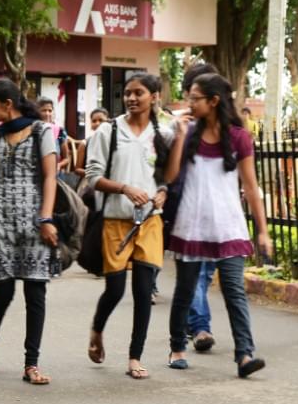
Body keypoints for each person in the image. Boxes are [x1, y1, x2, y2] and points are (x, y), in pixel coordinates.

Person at [164, 72, 272, 377]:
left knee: (235, 291)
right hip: (192, 224)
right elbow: (171, 177)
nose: (190, 103)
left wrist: (262, 231)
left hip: (228, 224)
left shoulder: (238, 136)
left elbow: (251, 187)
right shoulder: (187, 134)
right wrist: (181, 136)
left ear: (213, 102)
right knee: (185, 290)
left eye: (195, 98)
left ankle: (244, 356)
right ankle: (176, 348)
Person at [86, 74, 175, 379]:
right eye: (127, 93)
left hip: (150, 221)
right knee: (115, 289)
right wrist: (124, 188)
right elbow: (92, 177)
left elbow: (166, 176)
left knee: (143, 289)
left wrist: (162, 192)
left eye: (139, 93)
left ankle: (135, 356)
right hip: (115, 220)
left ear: (154, 96)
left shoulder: (164, 133)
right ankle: (97, 329)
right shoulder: (108, 132)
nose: (132, 98)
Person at [0, 78, 62, 385]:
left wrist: (46, 218)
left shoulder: (41, 132)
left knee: (35, 290)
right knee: (2, 290)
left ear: (7, 105)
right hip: (1, 221)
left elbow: (51, 177)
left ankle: (31, 364)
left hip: (35, 220)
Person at [176, 61, 221, 353]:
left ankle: (190, 321)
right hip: (188, 213)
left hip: (217, 214)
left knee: (204, 274)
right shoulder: (181, 128)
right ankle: (200, 327)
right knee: (196, 273)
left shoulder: (226, 129)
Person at [76, 108, 109, 173]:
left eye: (101, 120)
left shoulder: (114, 143)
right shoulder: (84, 144)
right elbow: (77, 170)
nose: (97, 123)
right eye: (94, 121)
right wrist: (95, 175)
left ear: (108, 122)